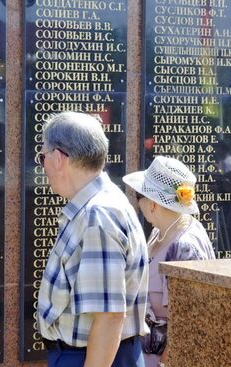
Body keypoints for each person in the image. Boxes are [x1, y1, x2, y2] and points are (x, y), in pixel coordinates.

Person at [36, 112, 149, 367]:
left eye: (42, 157)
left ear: (58, 159)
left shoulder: (97, 215)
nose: (42, 166)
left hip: (91, 358)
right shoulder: (96, 206)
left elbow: (109, 317)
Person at [122, 156, 216, 367]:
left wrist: (166, 363)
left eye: (139, 196)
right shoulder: (160, 232)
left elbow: (191, 317)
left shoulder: (184, 245)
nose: (137, 204)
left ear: (153, 203)